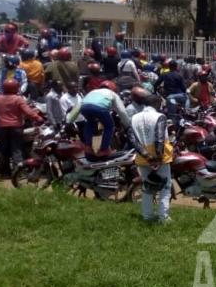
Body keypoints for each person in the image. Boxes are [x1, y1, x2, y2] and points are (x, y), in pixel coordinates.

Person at [130, 94, 173, 223]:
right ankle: (163, 217)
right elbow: (159, 138)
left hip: (143, 158)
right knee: (165, 188)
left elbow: (133, 140)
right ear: (156, 104)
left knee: (147, 187)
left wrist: (146, 156)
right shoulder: (159, 116)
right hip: (159, 158)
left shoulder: (134, 118)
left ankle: (147, 216)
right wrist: (157, 158)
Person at [0, 80, 44, 175]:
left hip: (2, 128)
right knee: (17, 149)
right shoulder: (18, 99)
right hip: (16, 128)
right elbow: (28, 112)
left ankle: (5, 172)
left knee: (3, 150)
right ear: (15, 88)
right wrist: (38, 118)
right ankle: (18, 172)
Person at [66, 81, 131, 156]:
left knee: (90, 123)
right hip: (99, 108)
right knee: (109, 126)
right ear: (113, 89)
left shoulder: (93, 92)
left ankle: (88, 147)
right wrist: (128, 125)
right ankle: (104, 150)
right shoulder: (112, 94)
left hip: (85, 108)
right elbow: (122, 111)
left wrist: (69, 120)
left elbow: (79, 105)